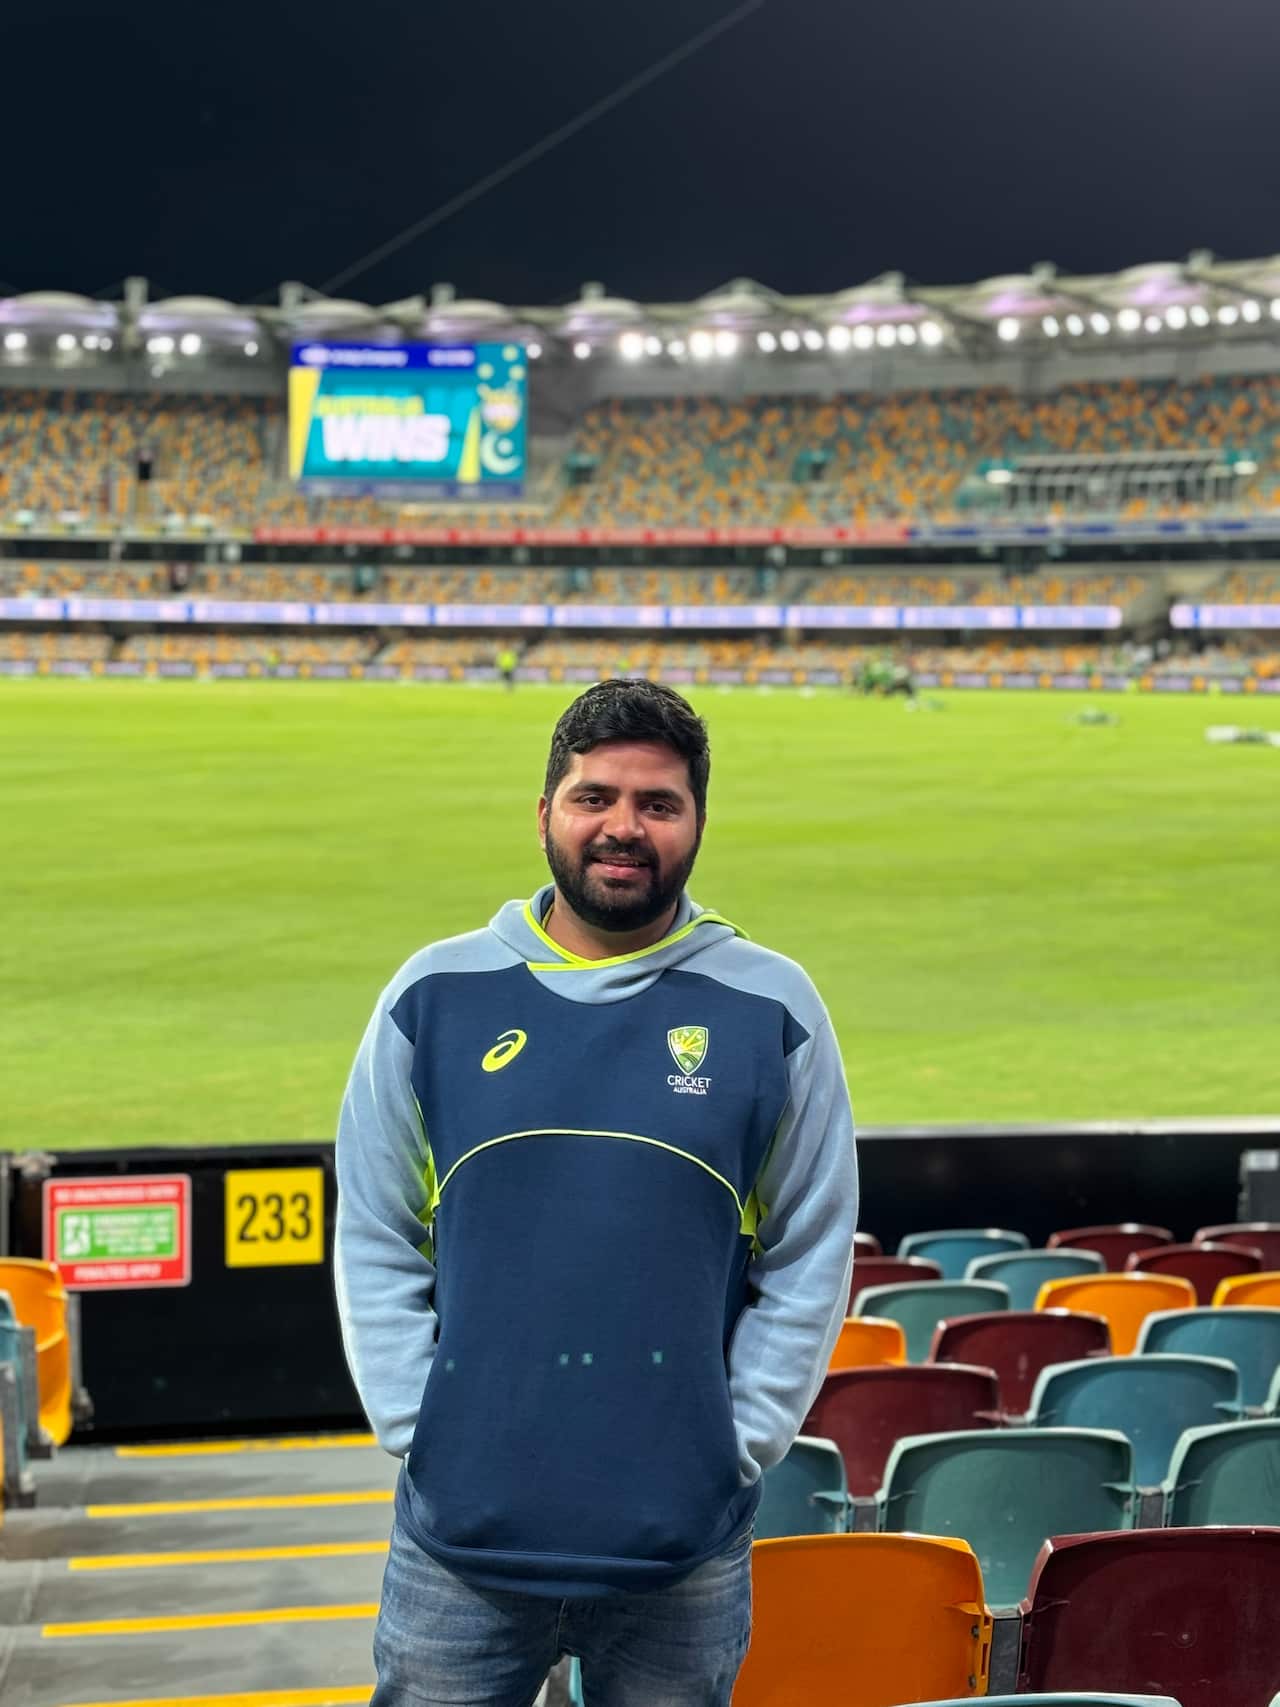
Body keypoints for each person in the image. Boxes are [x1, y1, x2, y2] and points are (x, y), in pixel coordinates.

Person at [335, 678, 858, 1707]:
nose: (622, 827)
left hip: (681, 1550)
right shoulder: (431, 995)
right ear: (545, 816)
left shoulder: (770, 1005)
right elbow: (374, 1229)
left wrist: (735, 1444)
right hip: (460, 1543)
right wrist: (420, 1429)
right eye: (593, 798)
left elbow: (811, 1244)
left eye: (656, 804)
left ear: (697, 823)